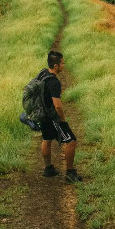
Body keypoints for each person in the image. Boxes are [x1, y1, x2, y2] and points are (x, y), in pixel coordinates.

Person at [36, 50, 82, 183]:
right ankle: (70, 173)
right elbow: (57, 106)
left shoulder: (43, 73)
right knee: (71, 141)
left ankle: (48, 168)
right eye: (62, 63)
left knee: (47, 138)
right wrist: (62, 119)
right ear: (55, 66)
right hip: (52, 116)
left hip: (42, 114)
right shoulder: (54, 82)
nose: (64, 65)